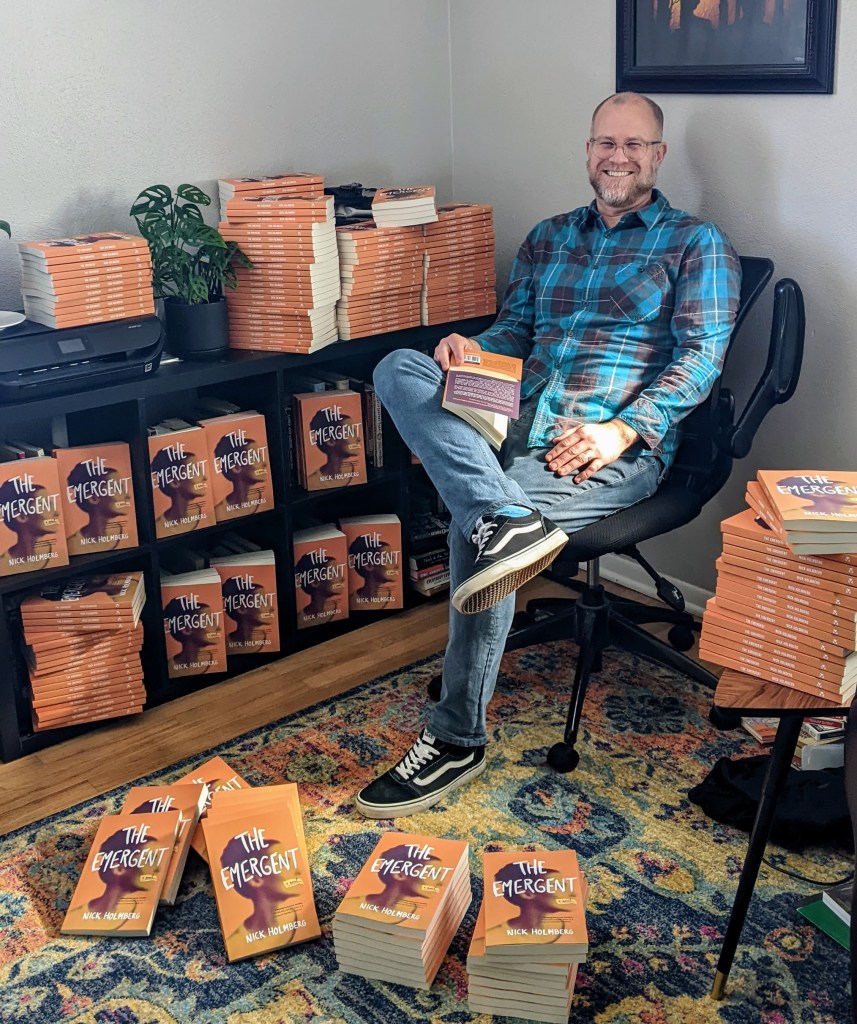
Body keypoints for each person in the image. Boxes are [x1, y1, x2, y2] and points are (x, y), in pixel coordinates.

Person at [355, 91, 742, 819]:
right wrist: (472, 349)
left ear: (658, 156)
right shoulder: (549, 237)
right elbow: (516, 332)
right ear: (588, 150)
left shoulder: (696, 244)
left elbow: (700, 361)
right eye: (605, 142)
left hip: (601, 443)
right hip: (513, 414)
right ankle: (501, 515)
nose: (617, 157)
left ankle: (456, 736)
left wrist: (622, 430)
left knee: (478, 534)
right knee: (398, 367)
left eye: (633, 144)